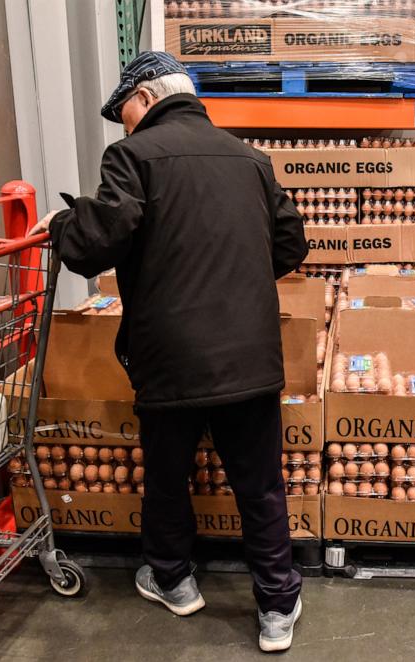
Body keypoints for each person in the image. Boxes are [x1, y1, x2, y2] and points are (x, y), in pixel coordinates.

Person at [28, 51, 308, 653]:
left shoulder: (132, 157)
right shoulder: (250, 159)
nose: (121, 122)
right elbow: (290, 243)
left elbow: (100, 239)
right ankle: (276, 607)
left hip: (171, 355)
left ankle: (175, 581)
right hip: (249, 356)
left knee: (168, 476)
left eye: (123, 108)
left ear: (148, 97)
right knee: (259, 484)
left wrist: (61, 224)